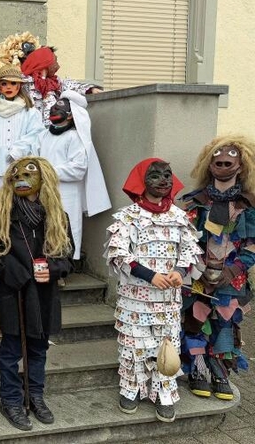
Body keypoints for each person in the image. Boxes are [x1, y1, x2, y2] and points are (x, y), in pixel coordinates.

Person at [0, 157, 73, 431]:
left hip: (43, 296)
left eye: (29, 173)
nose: (21, 176)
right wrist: (14, 272)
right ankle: (10, 399)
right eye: (16, 173)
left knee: (38, 349)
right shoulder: (2, 216)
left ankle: (35, 396)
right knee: (10, 350)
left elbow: (68, 258)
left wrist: (53, 270)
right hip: (14, 293)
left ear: (43, 180)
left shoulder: (57, 218)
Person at [105, 158, 202, 422]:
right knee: (133, 344)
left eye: (168, 175)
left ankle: (164, 394)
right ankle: (131, 389)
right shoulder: (127, 217)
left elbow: (190, 251)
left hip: (168, 299)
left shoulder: (180, 218)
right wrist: (150, 276)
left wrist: (180, 272)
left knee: (165, 345)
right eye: (155, 175)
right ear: (141, 181)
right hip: (134, 299)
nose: (163, 180)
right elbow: (118, 255)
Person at [181, 136, 255, 401]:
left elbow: (252, 245)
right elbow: (185, 239)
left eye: (231, 154)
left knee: (225, 323)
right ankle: (198, 370)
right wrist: (197, 267)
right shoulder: (196, 201)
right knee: (196, 321)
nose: (224, 159)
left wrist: (232, 270)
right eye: (218, 155)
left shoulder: (249, 205)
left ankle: (220, 371)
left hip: (231, 279)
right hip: (198, 275)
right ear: (209, 162)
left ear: (241, 162)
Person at [38, 90, 110, 275]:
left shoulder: (75, 138)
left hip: (67, 195)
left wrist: (47, 171)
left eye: (60, 107)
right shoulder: (43, 136)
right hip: (43, 192)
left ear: (71, 115)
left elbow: (78, 169)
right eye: (53, 105)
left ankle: (62, 270)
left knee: (64, 229)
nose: (54, 108)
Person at [0, 65, 44, 197]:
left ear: (19, 86)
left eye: (13, 83)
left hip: (22, 169)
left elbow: (35, 134)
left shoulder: (30, 112)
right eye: (4, 83)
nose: (8, 87)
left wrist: (17, 150)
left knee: (21, 206)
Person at [20, 46, 101, 126]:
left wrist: (90, 89)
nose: (56, 65)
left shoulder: (54, 82)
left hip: (53, 129)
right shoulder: (25, 83)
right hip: (32, 130)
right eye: (53, 61)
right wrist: (42, 78)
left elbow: (71, 85)